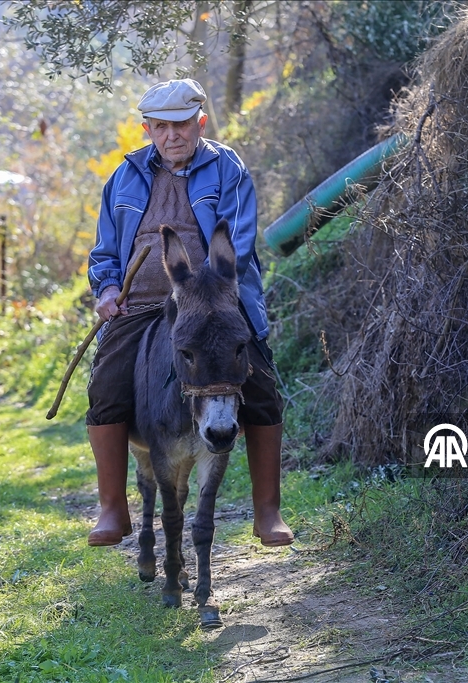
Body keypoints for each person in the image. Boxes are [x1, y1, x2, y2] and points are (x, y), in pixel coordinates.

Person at [84, 78, 293, 548]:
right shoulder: (124, 177)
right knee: (106, 388)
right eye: (160, 127)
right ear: (147, 129)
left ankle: (267, 511)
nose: (171, 136)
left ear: (199, 123)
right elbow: (103, 252)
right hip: (138, 306)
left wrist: (201, 294)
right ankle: (112, 508)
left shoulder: (226, 169)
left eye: (181, 125)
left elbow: (237, 244)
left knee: (258, 387)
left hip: (215, 301)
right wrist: (109, 288)